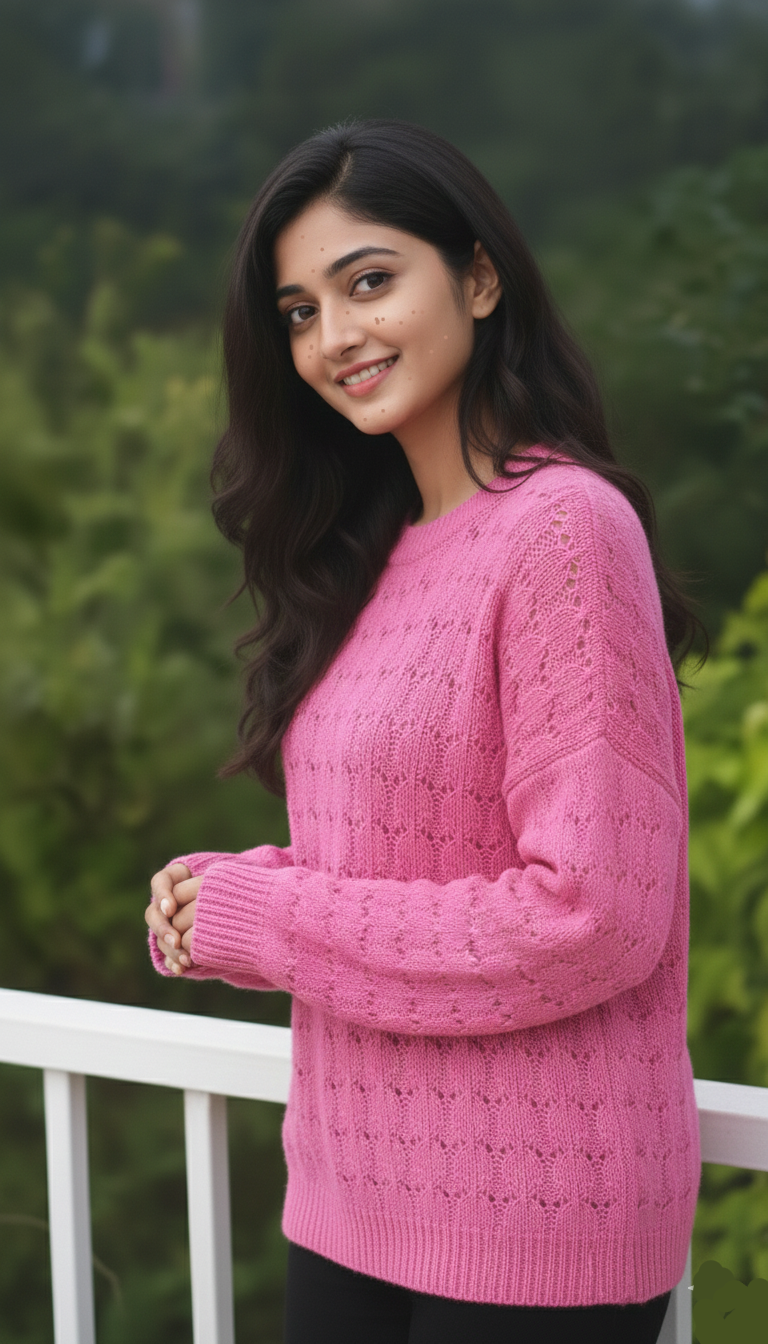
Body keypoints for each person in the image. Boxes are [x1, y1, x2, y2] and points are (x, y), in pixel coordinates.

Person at [145, 119, 701, 1343]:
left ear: (481, 277)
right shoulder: (370, 559)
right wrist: (239, 892)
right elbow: (410, 867)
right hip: (346, 1197)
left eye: (370, 281)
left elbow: (594, 913)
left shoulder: (563, 530)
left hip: (535, 1227)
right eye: (298, 311)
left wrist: (278, 920)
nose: (335, 337)